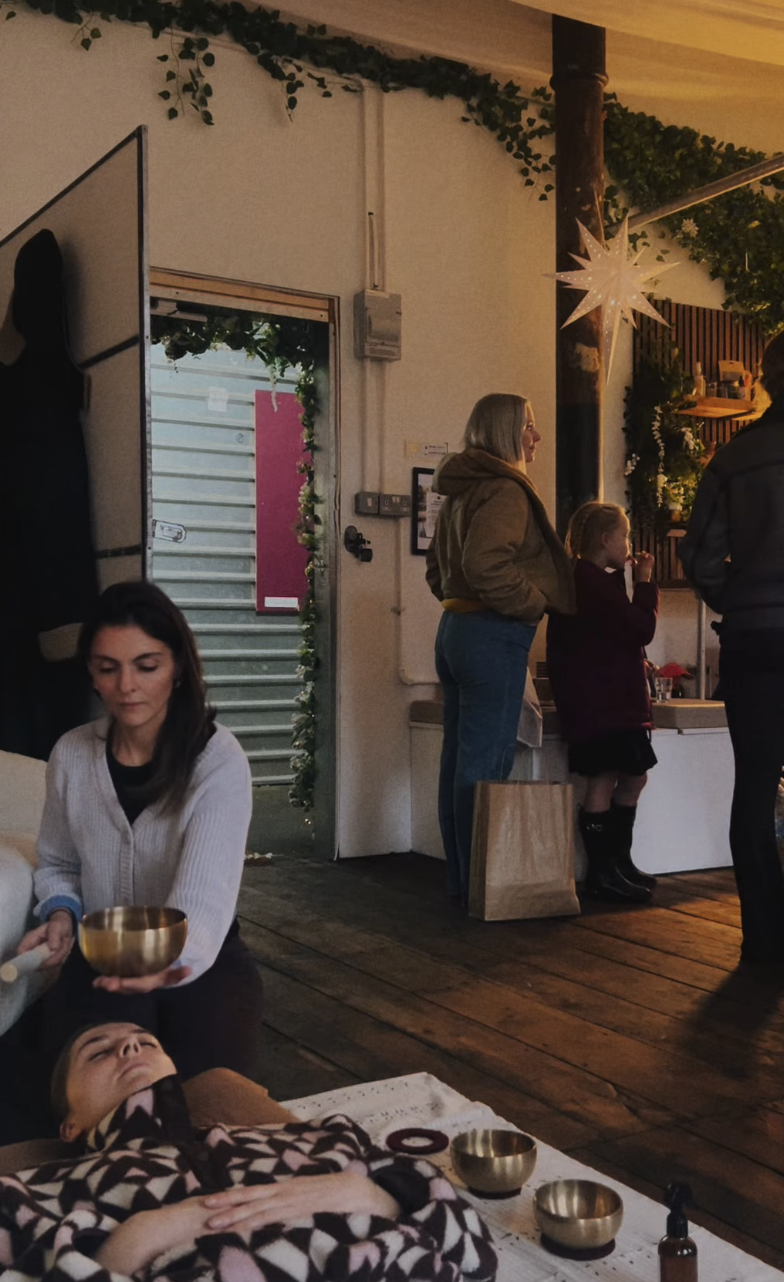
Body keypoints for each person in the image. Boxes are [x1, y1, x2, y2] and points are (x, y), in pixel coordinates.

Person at [0, 1021, 498, 1282]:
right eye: (98, 1051)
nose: (129, 1049)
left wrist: (372, 1196)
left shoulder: (319, 1138)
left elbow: (475, 1255)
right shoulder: (38, 1191)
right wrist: (132, 1243)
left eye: (144, 1041)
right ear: (70, 1124)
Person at [16, 580, 263, 1079]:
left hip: (199, 960)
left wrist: (156, 972)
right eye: (108, 668)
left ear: (176, 669)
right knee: (91, 1104)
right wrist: (62, 915)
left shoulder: (217, 762)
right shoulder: (72, 754)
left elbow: (205, 908)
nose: (126, 686)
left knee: (213, 1104)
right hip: (99, 961)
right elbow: (60, 863)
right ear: (91, 672)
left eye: (146, 666)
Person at [425, 393, 575, 904]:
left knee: (457, 765)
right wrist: (532, 603)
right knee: (485, 765)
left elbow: (437, 570)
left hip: (455, 631)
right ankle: (482, 891)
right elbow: (487, 564)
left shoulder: (463, 492)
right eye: (529, 426)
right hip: (492, 634)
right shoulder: (507, 492)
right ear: (507, 431)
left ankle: (462, 883)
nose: (536, 437)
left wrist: (463, 600)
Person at [680, 330, 784, 965]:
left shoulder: (733, 457)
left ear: (765, 379)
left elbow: (697, 554)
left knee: (753, 788)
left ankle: (764, 945)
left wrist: (739, 598)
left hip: (754, 640)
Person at [546, 503, 658, 904]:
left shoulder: (589, 580)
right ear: (606, 539)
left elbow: (612, 634)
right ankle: (602, 873)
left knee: (631, 776)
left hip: (606, 699)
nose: (628, 544)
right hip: (603, 702)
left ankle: (617, 863)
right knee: (603, 780)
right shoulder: (588, 581)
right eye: (625, 535)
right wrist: (644, 583)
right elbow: (639, 627)